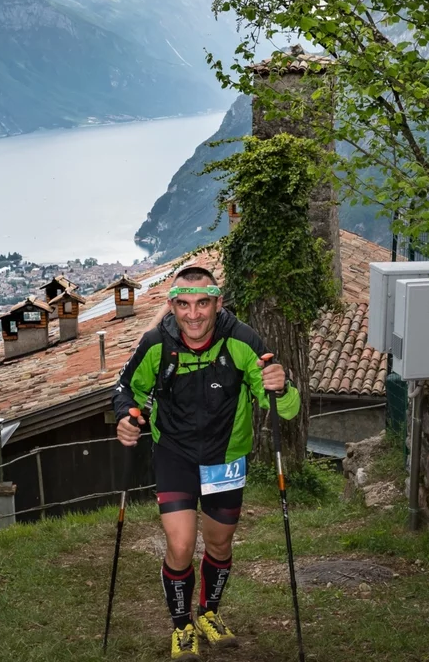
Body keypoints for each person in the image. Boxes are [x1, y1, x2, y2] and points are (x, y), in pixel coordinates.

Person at [113, 265, 300, 661]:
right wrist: (125, 418)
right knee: (180, 545)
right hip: (175, 454)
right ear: (172, 306)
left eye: (202, 303)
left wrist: (280, 388)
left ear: (218, 303)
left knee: (219, 542)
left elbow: (281, 407)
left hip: (226, 457)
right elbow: (126, 387)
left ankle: (209, 615)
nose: (193, 314)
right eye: (183, 304)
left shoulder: (242, 341)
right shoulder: (156, 344)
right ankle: (182, 626)